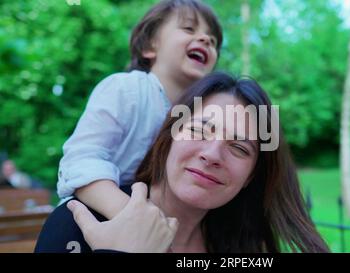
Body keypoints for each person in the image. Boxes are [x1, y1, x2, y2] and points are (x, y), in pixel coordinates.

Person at [35, 72, 329, 253]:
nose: (212, 155)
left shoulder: (241, 246)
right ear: (168, 138)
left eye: (239, 147)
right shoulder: (79, 224)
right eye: (199, 130)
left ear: (251, 176)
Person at [56, 0, 223, 222]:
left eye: (212, 41)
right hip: (88, 219)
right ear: (149, 47)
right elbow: (81, 159)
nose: (205, 39)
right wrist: (131, 216)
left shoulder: (204, 118)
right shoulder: (126, 89)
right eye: (188, 29)